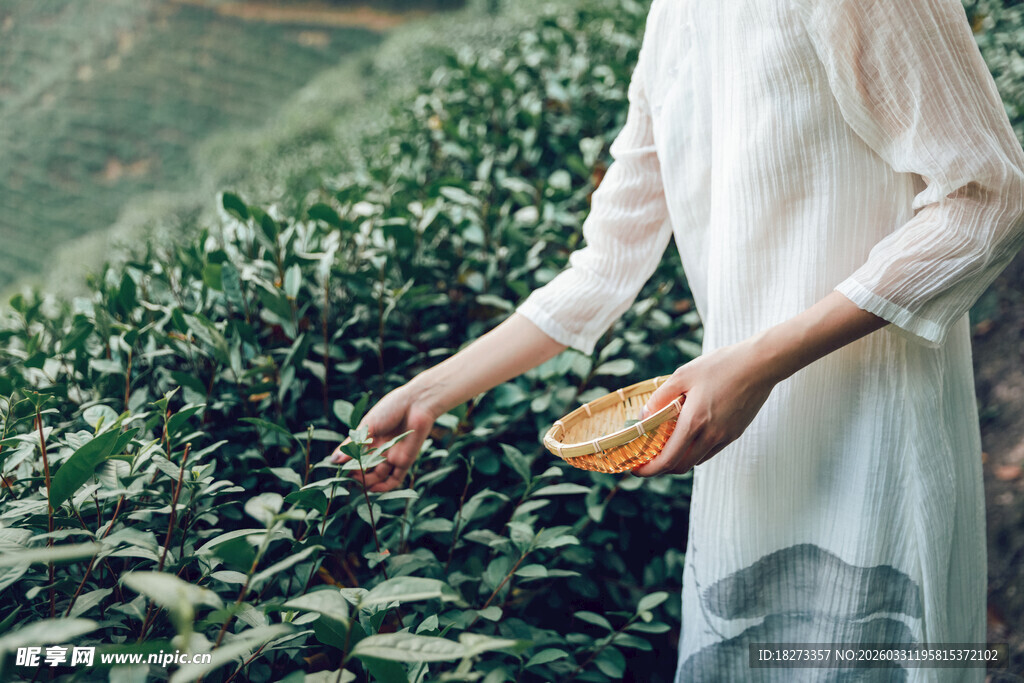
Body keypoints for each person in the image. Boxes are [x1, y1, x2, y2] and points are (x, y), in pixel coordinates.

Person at [333, 0, 1024, 679]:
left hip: (874, 445)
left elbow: (988, 196)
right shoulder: (674, 17)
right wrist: (426, 395)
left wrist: (760, 363)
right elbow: (604, 265)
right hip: (744, 453)